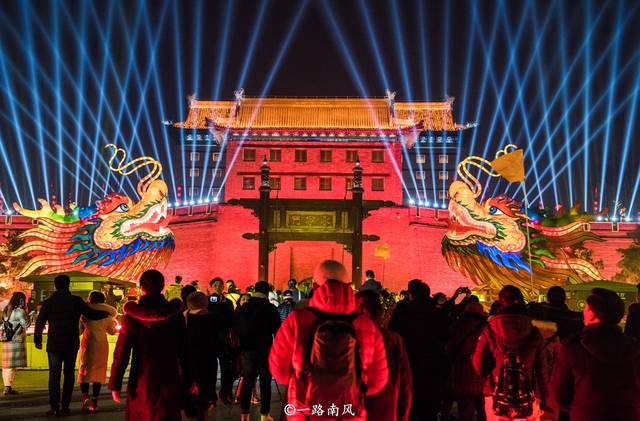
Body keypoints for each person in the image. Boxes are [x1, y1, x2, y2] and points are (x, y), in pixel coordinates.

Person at [269, 260, 389, 421]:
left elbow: (279, 371)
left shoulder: (297, 320)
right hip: (349, 412)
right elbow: (377, 381)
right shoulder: (365, 325)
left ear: (315, 286)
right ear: (349, 286)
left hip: (305, 412)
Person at [109, 269, 189, 421]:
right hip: (169, 376)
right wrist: (189, 379)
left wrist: (115, 384)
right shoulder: (175, 314)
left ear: (141, 288)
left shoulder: (132, 316)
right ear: (162, 287)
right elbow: (184, 350)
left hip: (141, 378)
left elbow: (121, 353)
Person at [551, 287, 640, 420]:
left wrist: (581, 407)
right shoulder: (634, 348)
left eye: (586, 308)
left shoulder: (573, 347)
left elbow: (559, 394)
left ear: (592, 314)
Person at [34, 274, 108, 417]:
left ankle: (54, 407)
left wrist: (38, 340)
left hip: (54, 344)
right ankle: (65, 406)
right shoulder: (76, 301)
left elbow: (40, 322)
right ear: (68, 285)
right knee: (69, 375)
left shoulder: (49, 302)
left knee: (54, 375)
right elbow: (91, 314)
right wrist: (107, 313)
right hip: (70, 343)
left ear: (55, 285)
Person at [473, 285, 549, 421]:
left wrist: (491, 374)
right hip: (527, 394)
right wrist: (544, 397)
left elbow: (478, 364)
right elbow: (542, 371)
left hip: (495, 394)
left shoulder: (489, 330)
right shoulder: (533, 331)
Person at [388, 279, 450, 421]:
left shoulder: (403, 311)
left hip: (409, 362)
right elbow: (446, 335)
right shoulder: (437, 312)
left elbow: (393, 333)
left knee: (409, 406)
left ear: (411, 294)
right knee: (429, 409)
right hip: (433, 365)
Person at [356, 290, 412, 421]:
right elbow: (406, 388)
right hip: (386, 412)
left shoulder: (348, 338)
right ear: (380, 313)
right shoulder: (394, 340)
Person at [236, 281, 281, 421]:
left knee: (248, 381)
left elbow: (237, 327)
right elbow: (277, 331)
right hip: (265, 349)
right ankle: (264, 414)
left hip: (247, 350)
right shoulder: (271, 308)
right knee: (265, 382)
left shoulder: (245, 307)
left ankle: (244, 414)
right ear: (267, 292)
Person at [445, 302, 488, 421]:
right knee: (482, 409)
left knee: (466, 410)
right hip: (481, 374)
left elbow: (449, 348)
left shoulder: (458, 326)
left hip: (462, 372)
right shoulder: (486, 327)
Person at [77, 291, 118, 413]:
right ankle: (94, 401)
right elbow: (112, 331)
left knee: (84, 370)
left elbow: (79, 330)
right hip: (101, 345)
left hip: (87, 343)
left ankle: (85, 397)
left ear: (90, 299)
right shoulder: (108, 315)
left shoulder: (84, 314)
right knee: (98, 372)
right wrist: (115, 325)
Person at [184, 292, 220, 421]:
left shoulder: (183, 319)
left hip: (188, 362)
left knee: (190, 394)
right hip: (208, 362)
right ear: (206, 303)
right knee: (205, 396)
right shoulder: (214, 319)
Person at [208, 277, 236, 404]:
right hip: (211, 339)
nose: (218, 287)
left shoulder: (228, 302)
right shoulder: (207, 300)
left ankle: (225, 393)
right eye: (215, 285)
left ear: (223, 287)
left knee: (226, 368)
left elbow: (231, 318)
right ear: (211, 288)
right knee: (211, 369)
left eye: (220, 285)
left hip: (224, 339)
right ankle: (211, 395)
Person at [2, 291, 29, 395]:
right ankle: (7, 388)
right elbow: (25, 325)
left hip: (6, 340)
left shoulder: (6, 309)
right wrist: (27, 314)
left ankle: (7, 386)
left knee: (6, 365)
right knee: (11, 366)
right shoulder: (19, 311)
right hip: (15, 340)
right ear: (21, 300)